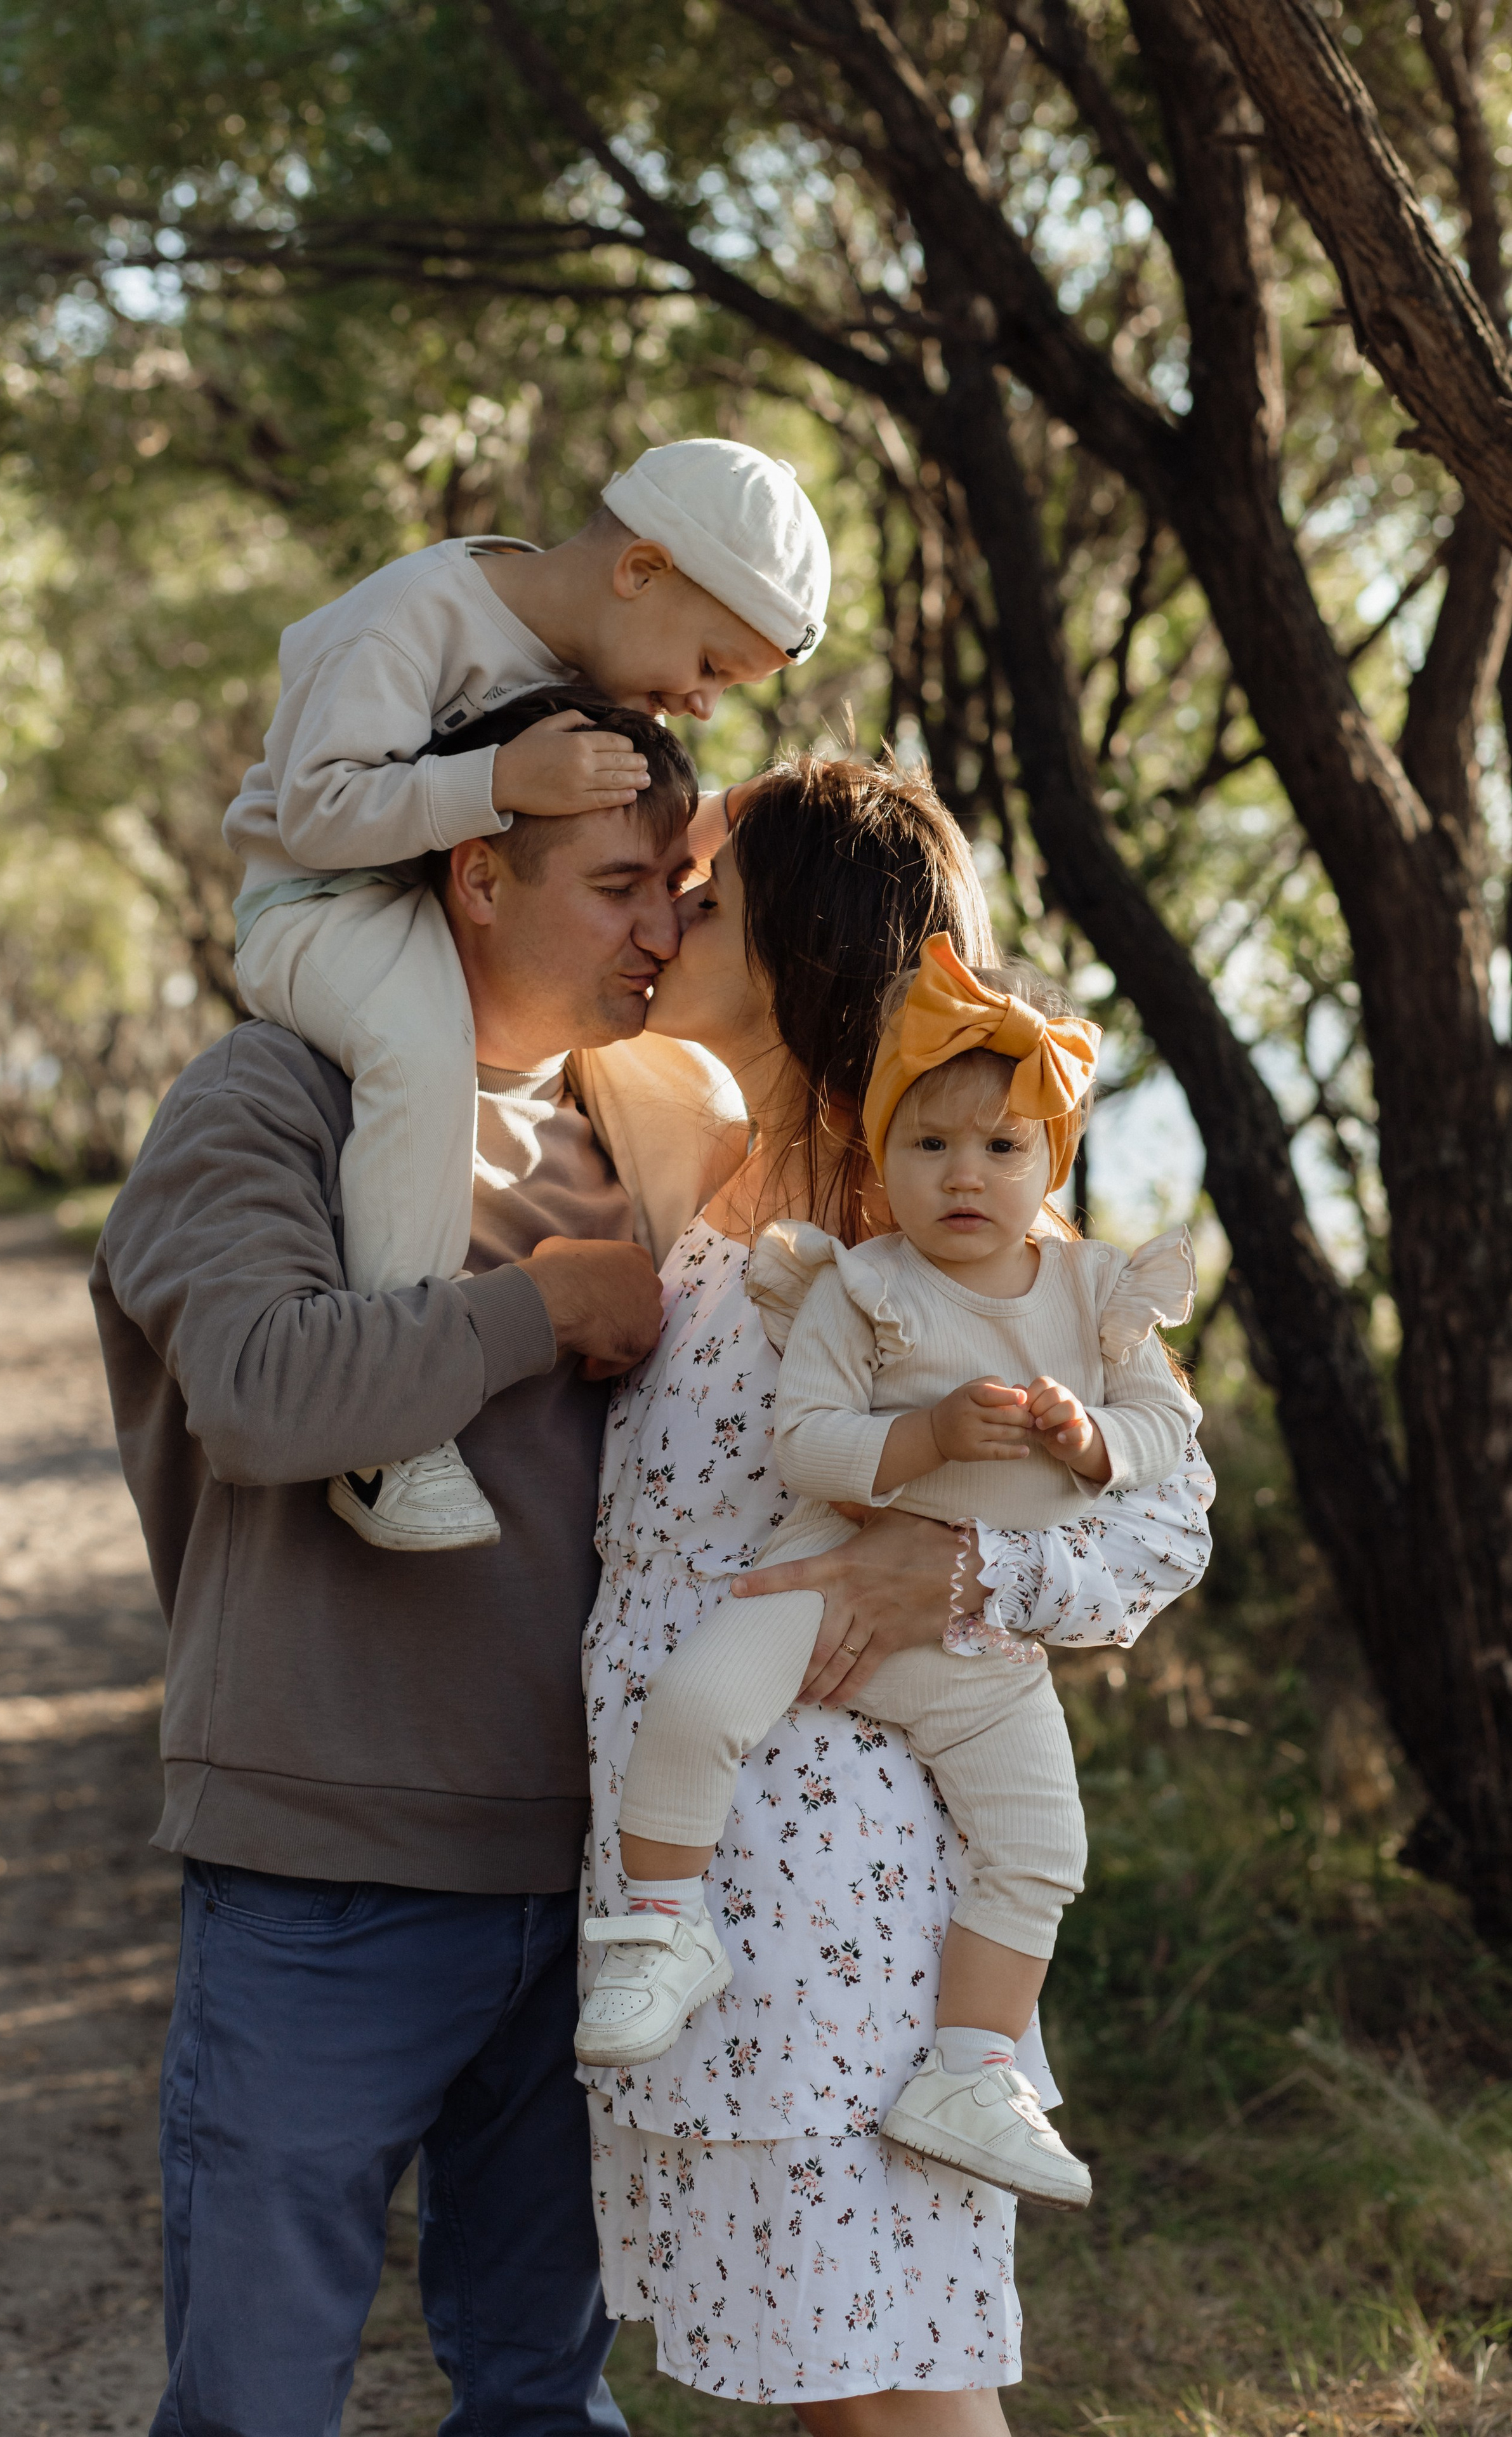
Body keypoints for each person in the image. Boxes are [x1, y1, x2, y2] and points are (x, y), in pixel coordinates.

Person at [92, 691, 736, 2437]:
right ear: (475, 874)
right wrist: (536, 1310)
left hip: (600, 1885)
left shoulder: (654, 1131)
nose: (660, 926)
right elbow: (258, 1392)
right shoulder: (268, 1096)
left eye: (679, 883)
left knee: (544, 2391)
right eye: (617, 882)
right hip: (326, 1874)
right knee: (255, 2402)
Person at [575, 755, 1215, 2422]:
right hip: (695, 1897)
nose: (665, 924)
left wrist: (962, 1564)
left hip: (843, 1899)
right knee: (814, 2388)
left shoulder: (964, 1237)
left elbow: (1162, 1526)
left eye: (705, 901)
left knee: (899, 2393)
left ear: (802, 943)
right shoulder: (692, 1207)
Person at [225, 436, 829, 1552]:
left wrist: (772, 816)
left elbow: (584, 855)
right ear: (639, 569)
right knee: (418, 1042)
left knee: (672, 1086)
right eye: (710, 662)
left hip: (431, 903)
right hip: (321, 910)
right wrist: (494, 781)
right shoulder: (410, 617)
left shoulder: (586, 656)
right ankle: (389, 1442)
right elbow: (313, 815)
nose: (700, 701)